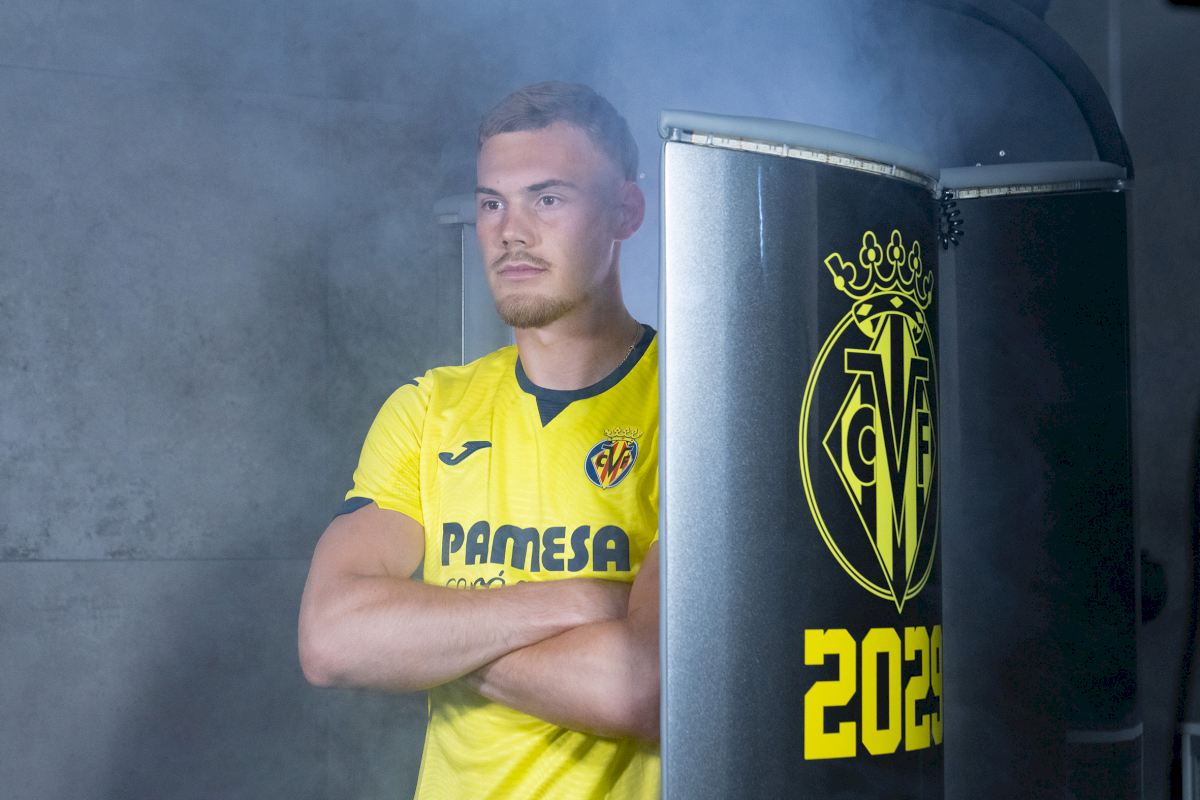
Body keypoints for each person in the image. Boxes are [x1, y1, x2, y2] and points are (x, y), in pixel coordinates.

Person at [298, 81, 660, 799]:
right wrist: (588, 599)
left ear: (625, 212)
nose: (510, 231)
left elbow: (636, 686)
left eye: (547, 198)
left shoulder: (696, 411)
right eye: (492, 203)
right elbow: (331, 638)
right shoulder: (428, 409)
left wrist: (428, 643)